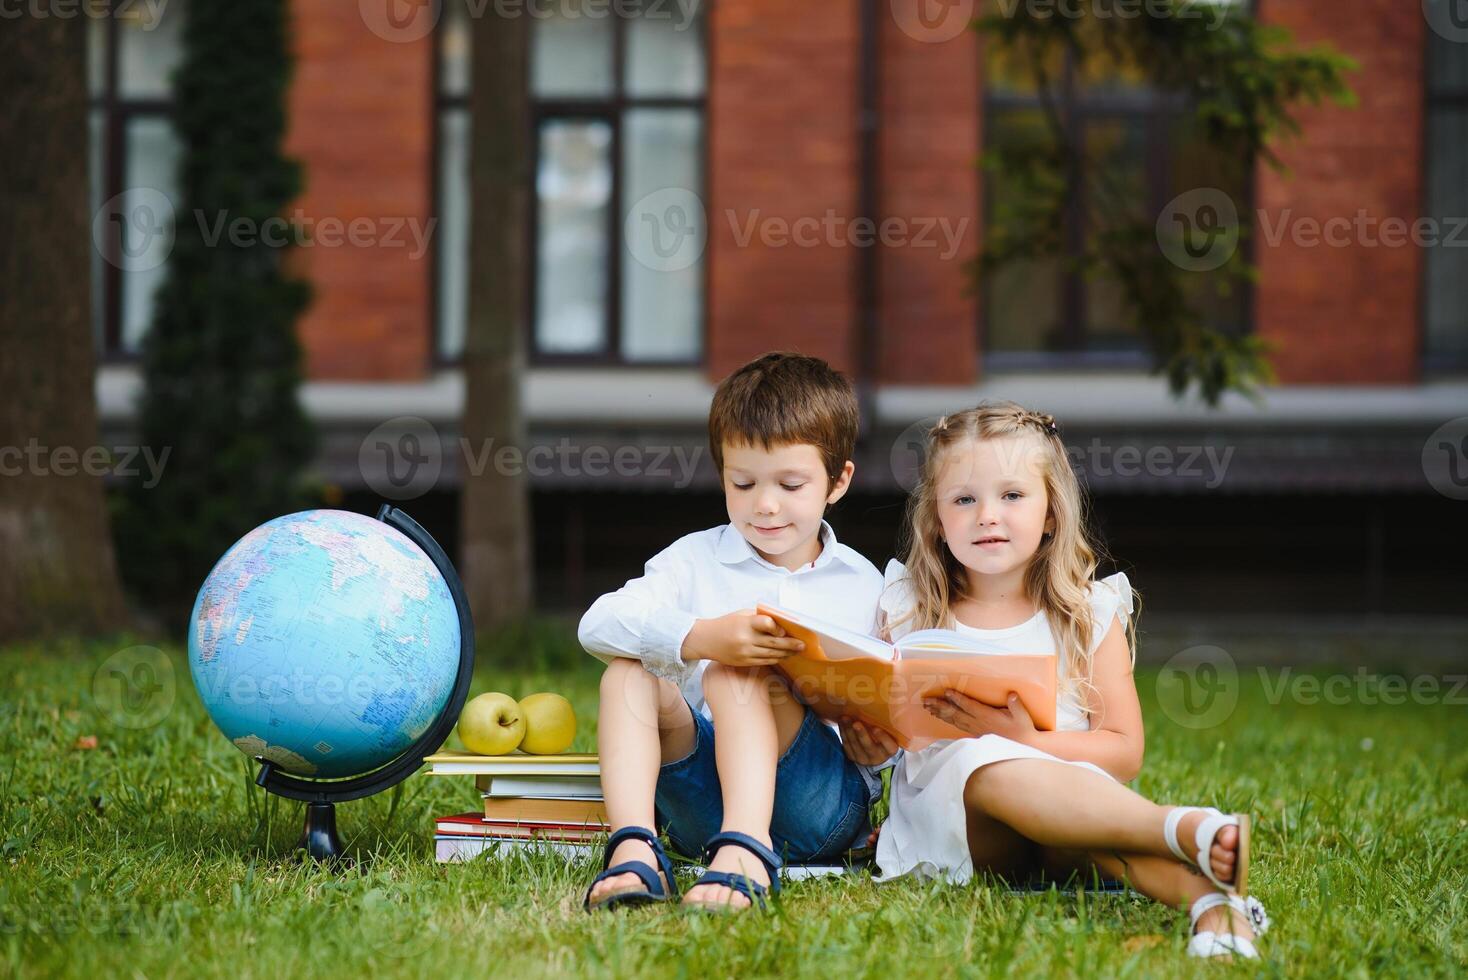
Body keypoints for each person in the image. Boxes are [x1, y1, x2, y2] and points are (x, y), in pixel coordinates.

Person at [852, 402, 1270, 959]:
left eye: (1012, 495)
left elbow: (1124, 750)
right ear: (936, 518)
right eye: (964, 499)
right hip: (963, 829)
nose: (987, 516)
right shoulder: (907, 608)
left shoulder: (1087, 612)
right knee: (980, 762)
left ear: (1051, 511)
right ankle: (1179, 827)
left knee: (1079, 815)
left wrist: (1032, 743)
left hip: (1073, 817)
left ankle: (1215, 908)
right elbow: (890, 729)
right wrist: (870, 744)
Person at [578, 352, 887, 912]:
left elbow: (894, 705)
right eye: (742, 483)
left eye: (790, 484)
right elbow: (597, 623)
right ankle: (635, 848)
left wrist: (879, 747)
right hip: (700, 809)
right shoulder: (693, 560)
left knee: (738, 668)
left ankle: (748, 851)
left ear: (838, 482)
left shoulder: (867, 584)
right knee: (628, 670)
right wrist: (699, 636)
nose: (764, 506)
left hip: (815, 807)